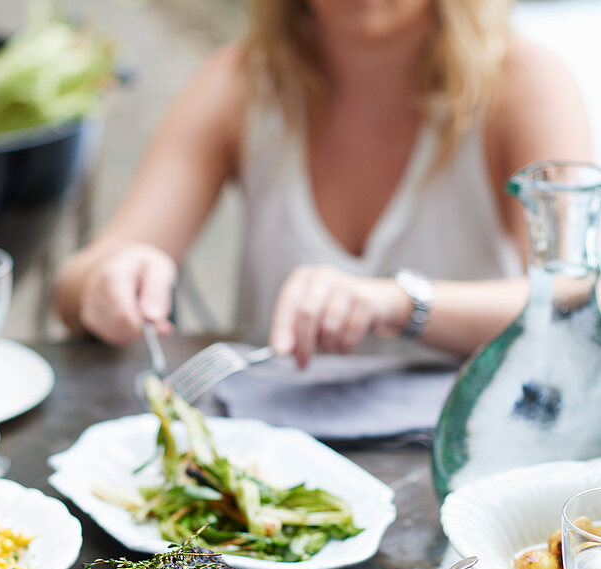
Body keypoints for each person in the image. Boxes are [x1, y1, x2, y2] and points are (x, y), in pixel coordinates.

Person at [55, 0, 592, 370]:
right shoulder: (242, 82)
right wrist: (110, 280)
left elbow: (574, 289)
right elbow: (77, 283)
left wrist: (399, 304)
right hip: (270, 468)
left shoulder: (523, 81)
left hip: (460, 462)